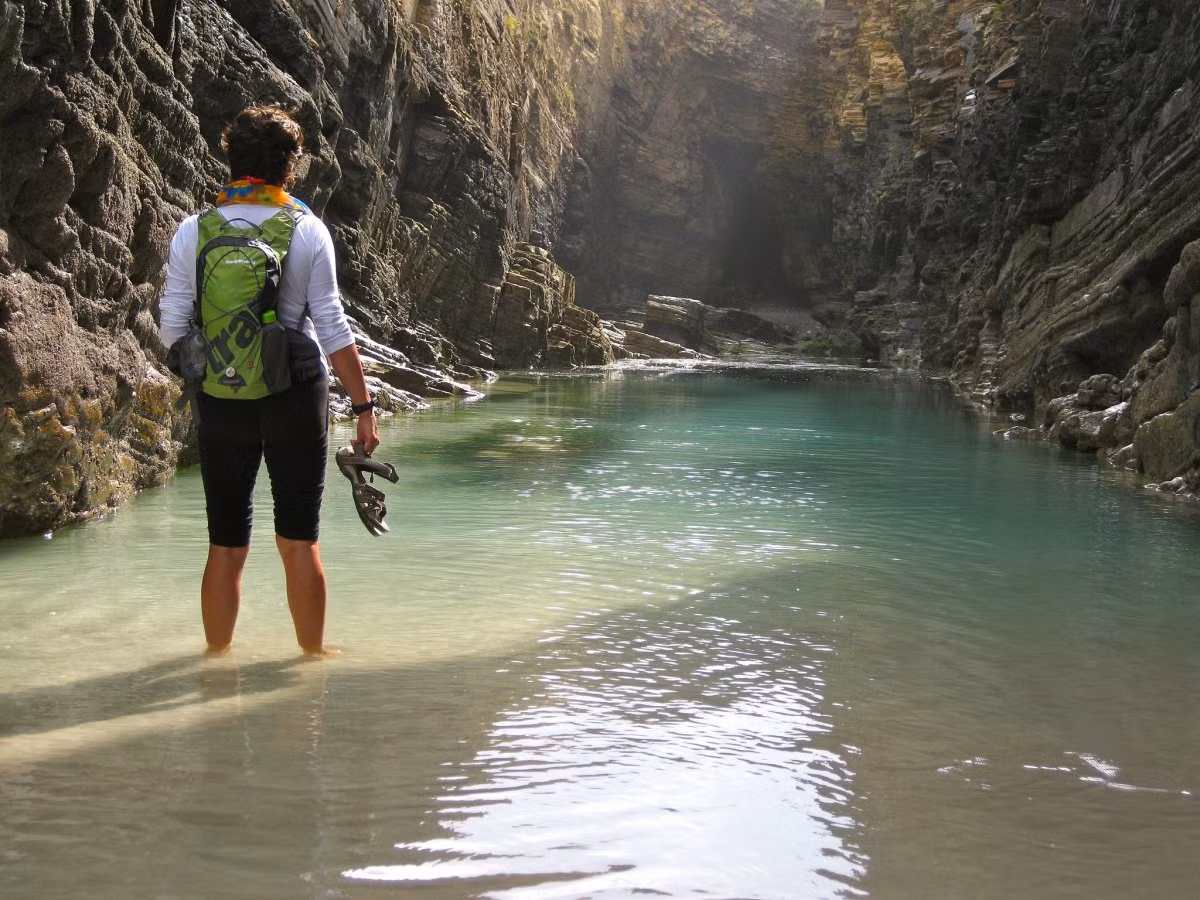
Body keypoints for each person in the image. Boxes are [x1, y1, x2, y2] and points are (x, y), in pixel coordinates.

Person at [159, 105, 379, 657]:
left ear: (230, 159)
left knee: (225, 543)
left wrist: (217, 368)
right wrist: (363, 406)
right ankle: (311, 662)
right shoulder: (307, 230)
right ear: (292, 166)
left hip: (220, 394)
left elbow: (171, 325)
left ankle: (216, 664)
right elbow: (330, 326)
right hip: (293, 391)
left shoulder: (193, 230)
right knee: (299, 541)